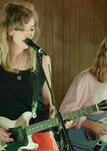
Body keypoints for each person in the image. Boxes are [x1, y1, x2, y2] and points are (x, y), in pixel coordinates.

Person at [0, 2, 59, 151]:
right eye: (22, 29)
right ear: (9, 30)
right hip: (5, 138)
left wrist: (57, 116)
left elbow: (47, 103)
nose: (29, 35)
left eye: (31, 29)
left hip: (37, 134)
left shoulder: (42, 60)